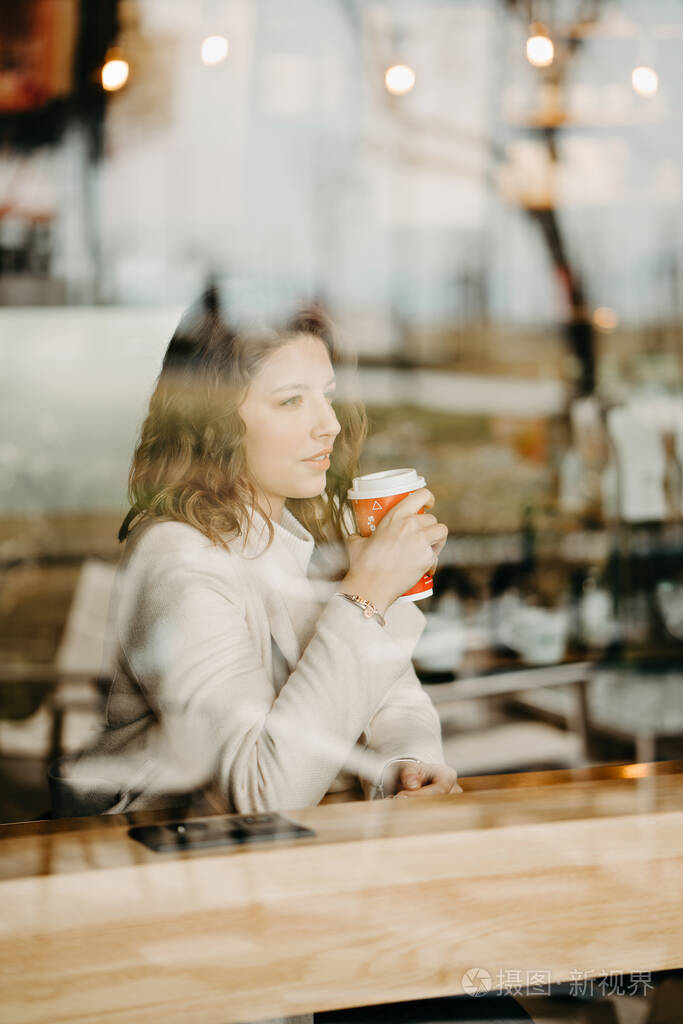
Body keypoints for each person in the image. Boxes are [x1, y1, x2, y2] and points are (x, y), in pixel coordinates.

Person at [48, 289, 459, 817]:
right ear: (217, 420)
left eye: (327, 395)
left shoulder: (294, 534)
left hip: (283, 863)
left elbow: (390, 695)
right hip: (166, 873)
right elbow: (260, 792)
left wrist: (402, 765)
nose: (328, 424)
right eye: (292, 400)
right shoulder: (178, 558)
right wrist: (368, 593)